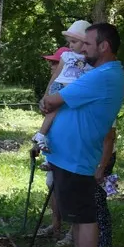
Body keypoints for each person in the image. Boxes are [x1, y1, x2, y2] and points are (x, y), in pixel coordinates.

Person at [38, 22, 124, 247]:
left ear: (104, 46)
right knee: (76, 218)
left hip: (77, 157)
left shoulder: (103, 75)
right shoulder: (100, 73)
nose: (82, 49)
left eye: (88, 44)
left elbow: (52, 101)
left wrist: (54, 87)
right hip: (68, 156)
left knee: (85, 218)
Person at [34, 20, 92, 154]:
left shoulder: (91, 59)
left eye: (74, 42)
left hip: (72, 92)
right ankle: (41, 136)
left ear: (85, 42)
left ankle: (49, 144)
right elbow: (56, 75)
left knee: (62, 116)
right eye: (69, 42)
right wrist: (46, 94)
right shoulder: (66, 56)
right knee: (52, 112)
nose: (70, 45)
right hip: (60, 86)